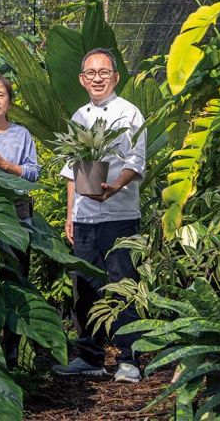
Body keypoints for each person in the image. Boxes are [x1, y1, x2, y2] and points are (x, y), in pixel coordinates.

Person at [51, 48, 146, 384]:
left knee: (122, 287)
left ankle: (129, 360)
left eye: (103, 72)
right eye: (90, 73)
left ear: (115, 77)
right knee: (85, 290)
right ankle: (89, 357)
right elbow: (72, 171)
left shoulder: (130, 113)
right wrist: (69, 216)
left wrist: (113, 189)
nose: (97, 78)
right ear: (82, 79)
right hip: (85, 219)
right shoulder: (79, 117)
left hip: (120, 216)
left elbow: (135, 164)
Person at [0, 72, 41, 366]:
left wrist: (6, 166)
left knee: (14, 281)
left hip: (16, 218)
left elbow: (33, 174)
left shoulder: (21, 135)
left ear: (9, 102)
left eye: (1, 95)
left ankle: (12, 351)